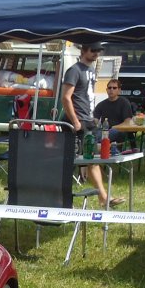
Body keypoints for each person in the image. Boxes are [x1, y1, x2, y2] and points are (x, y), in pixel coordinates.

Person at [61, 41, 123, 207]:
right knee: (71, 162)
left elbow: (86, 96)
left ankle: (104, 197)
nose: (96, 53)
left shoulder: (90, 70)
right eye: (93, 50)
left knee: (93, 160)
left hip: (88, 122)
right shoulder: (74, 70)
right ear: (83, 50)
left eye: (99, 50)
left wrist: (92, 117)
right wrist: (75, 121)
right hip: (77, 123)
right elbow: (66, 97)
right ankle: (61, 198)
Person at [93, 78, 136, 149]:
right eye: (109, 88)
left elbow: (127, 122)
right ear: (106, 90)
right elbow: (95, 121)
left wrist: (114, 127)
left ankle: (98, 148)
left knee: (104, 134)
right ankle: (96, 148)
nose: (111, 90)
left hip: (120, 131)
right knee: (91, 134)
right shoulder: (101, 104)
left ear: (119, 90)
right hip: (105, 130)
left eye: (114, 88)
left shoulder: (124, 102)